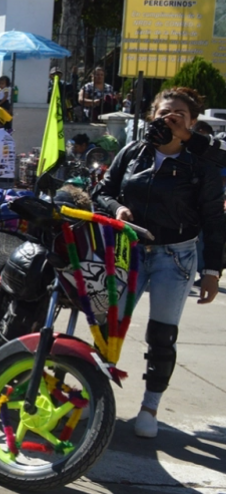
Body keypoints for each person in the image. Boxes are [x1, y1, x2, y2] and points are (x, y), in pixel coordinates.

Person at [94, 87, 223, 439]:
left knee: (162, 336)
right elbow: (101, 192)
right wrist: (115, 208)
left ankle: (149, 407)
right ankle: (95, 396)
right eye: (163, 112)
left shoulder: (202, 163)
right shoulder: (134, 152)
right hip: (128, 251)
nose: (168, 119)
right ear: (152, 114)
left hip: (176, 257)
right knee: (109, 327)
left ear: (192, 123)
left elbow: (214, 220)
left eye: (178, 115)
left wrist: (212, 271)